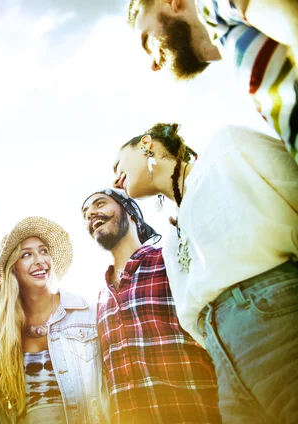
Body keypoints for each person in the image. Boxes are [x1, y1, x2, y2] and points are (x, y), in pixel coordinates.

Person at [114, 122, 298, 422]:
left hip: (274, 315)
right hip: (222, 357)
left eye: (118, 163)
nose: (114, 176)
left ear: (147, 143)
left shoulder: (225, 149)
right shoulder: (172, 238)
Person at [80, 188, 221, 423]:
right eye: (85, 213)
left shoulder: (170, 259)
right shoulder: (99, 298)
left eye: (100, 204)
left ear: (131, 213)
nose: (91, 214)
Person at [126, 0, 298, 164]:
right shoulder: (232, 47)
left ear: (171, 2)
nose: (154, 65)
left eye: (147, 41)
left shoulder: (209, 6)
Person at [0, 216, 106, 423]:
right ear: (14, 269)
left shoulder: (86, 314)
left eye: (43, 251)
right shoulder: (4, 330)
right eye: (27, 255)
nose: (39, 260)